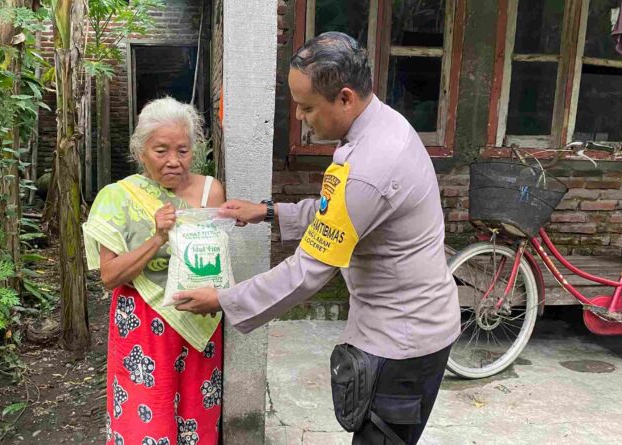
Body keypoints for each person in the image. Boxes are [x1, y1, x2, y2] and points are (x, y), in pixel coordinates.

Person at [174, 32, 460, 444]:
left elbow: (308, 270)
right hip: (401, 324)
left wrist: (222, 300)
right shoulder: (380, 124)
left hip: (404, 343)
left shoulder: (371, 163)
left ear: (345, 97)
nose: (300, 117)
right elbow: (341, 213)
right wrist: (269, 212)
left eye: (307, 107)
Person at [82, 97, 225, 445]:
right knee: (145, 419)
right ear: (140, 150)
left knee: (198, 419)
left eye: (183, 150)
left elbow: (217, 262)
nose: (173, 161)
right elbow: (109, 275)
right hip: (144, 325)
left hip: (199, 322)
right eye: (161, 150)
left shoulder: (211, 190)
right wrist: (157, 237)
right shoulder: (118, 197)